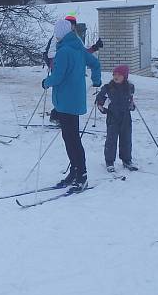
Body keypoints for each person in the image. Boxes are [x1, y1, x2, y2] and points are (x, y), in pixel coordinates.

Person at [41, 19, 101, 190]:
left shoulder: (64, 51)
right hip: (74, 99)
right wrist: (96, 80)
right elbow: (95, 64)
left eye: (57, 34)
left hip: (66, 100)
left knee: (71, 138)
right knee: (70, 137)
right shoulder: (78, 48)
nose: (56, 37)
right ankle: (75, 172)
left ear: (60, 34)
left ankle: (82, 174)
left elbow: (58, 76)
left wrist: (46, 82)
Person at [43, 14, 103, 123]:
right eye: (70, 24)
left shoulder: (75, 39)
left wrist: (94, 47)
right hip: (58, 67)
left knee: (66, 96)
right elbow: (50, 53)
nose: (72, 27)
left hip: (71, 73)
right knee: (64, 94)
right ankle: (55, 116)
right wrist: (61, 59)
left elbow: (83, 54)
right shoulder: (58, 38)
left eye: (73, 25)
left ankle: (56, 116)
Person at [96, 64, 138, 173]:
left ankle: (127, 160)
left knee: (126, 139)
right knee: (111, 139)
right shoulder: (108, 87)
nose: (116, 76)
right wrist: (101, 107)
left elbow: (131, 100)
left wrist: (132, 105)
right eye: (114, 74)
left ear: (125, 76)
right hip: (113, 116)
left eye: (119, 75)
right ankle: (109, 161)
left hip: (125, 116)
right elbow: (100, 98)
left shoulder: (129, 87)